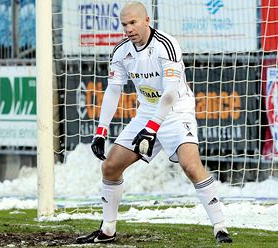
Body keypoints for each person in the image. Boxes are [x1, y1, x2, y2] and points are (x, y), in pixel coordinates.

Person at [76, 1, 232, 244]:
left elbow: (169, 93)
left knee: (190, 166)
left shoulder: (166, 46)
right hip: (146, 113)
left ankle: (220, 226)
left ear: (147, 20)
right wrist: (100, 131)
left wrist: (152, 128)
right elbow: (114, 90)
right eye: (124, 24)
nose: (128, 29)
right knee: (110, 167)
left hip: (176, 112)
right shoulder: (120, 51)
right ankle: (107, 230)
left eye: (133, 22)